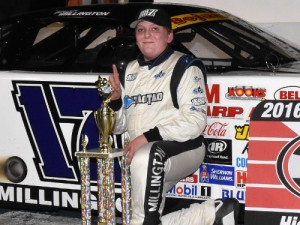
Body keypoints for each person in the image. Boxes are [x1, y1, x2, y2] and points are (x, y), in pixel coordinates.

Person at [108, 6, 239, 225]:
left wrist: (147, 137)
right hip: (143, 156)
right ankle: (214, 212)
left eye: (155, 29)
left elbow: (195, 122)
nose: (146, 34)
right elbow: (119, 127)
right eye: (141, 30)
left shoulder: (185, 66)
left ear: (169, 36)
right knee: (140, 219)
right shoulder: (130, 70)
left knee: (147, 157)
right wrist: (115, 102)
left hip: (183, 148)